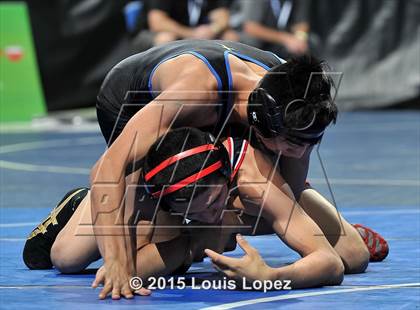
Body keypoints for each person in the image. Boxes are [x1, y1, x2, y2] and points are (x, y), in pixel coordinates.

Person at [85, 39, 384, 299]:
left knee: (353, 255)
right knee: (105, 261)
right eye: (293, 147)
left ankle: (210, 223)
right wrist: (115, 262)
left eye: (310, 145)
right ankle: (83, 207)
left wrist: (271, 274)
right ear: (260, 127)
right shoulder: (196, 92)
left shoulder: (293, 97)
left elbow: (288, 201)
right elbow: (105, 169)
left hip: (229, 114)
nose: (302, 154)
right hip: (134, 106)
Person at [23, 128, 388, 297]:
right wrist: (190, 243)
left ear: (226, 178)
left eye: (214, 201)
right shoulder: (151, 195)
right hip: (158, 193)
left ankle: (307, 223)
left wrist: (272, 276)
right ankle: (84, 200)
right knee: (65, 259)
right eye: (200, 210)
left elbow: (332, 264)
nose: (211, 213)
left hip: (246, 197)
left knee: (354, 255)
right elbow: (117, 271)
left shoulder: (250, 178)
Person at [132, 0, 238, 51]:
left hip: (199, 34)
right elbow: (157, 22)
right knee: (166, 39)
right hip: (152, 34)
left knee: (230, 36)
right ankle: (167, 85)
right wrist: (192, 33)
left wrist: (213, 29)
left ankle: (228, 83)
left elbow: (222, 17)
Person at [236, 0, 311, 57]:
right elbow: (251, 28)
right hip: (257, 43)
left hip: (281, 43)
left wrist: (300, 38)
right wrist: (286, 39)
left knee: (311, 44)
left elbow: (301, 23)